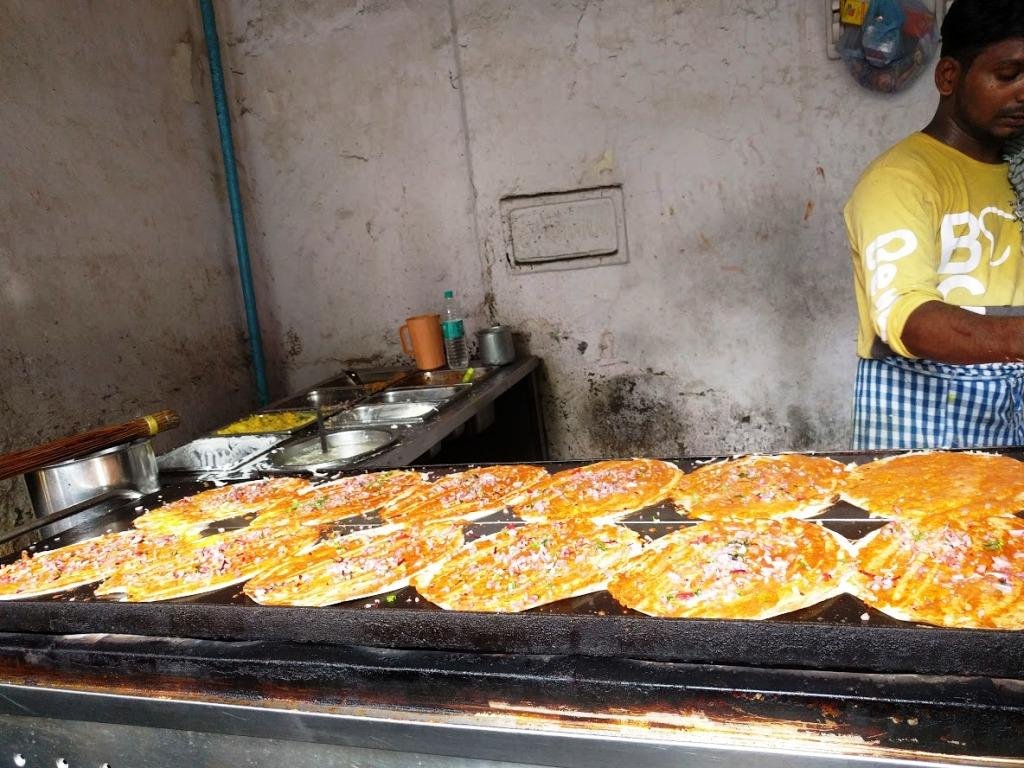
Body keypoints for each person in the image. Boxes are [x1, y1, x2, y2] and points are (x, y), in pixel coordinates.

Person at [845, 0, 1024, 450]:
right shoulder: (899, 179)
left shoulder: (1019, 172)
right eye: (1008, 75)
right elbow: (911, 320)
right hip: (923, 414)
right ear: (948, 77)